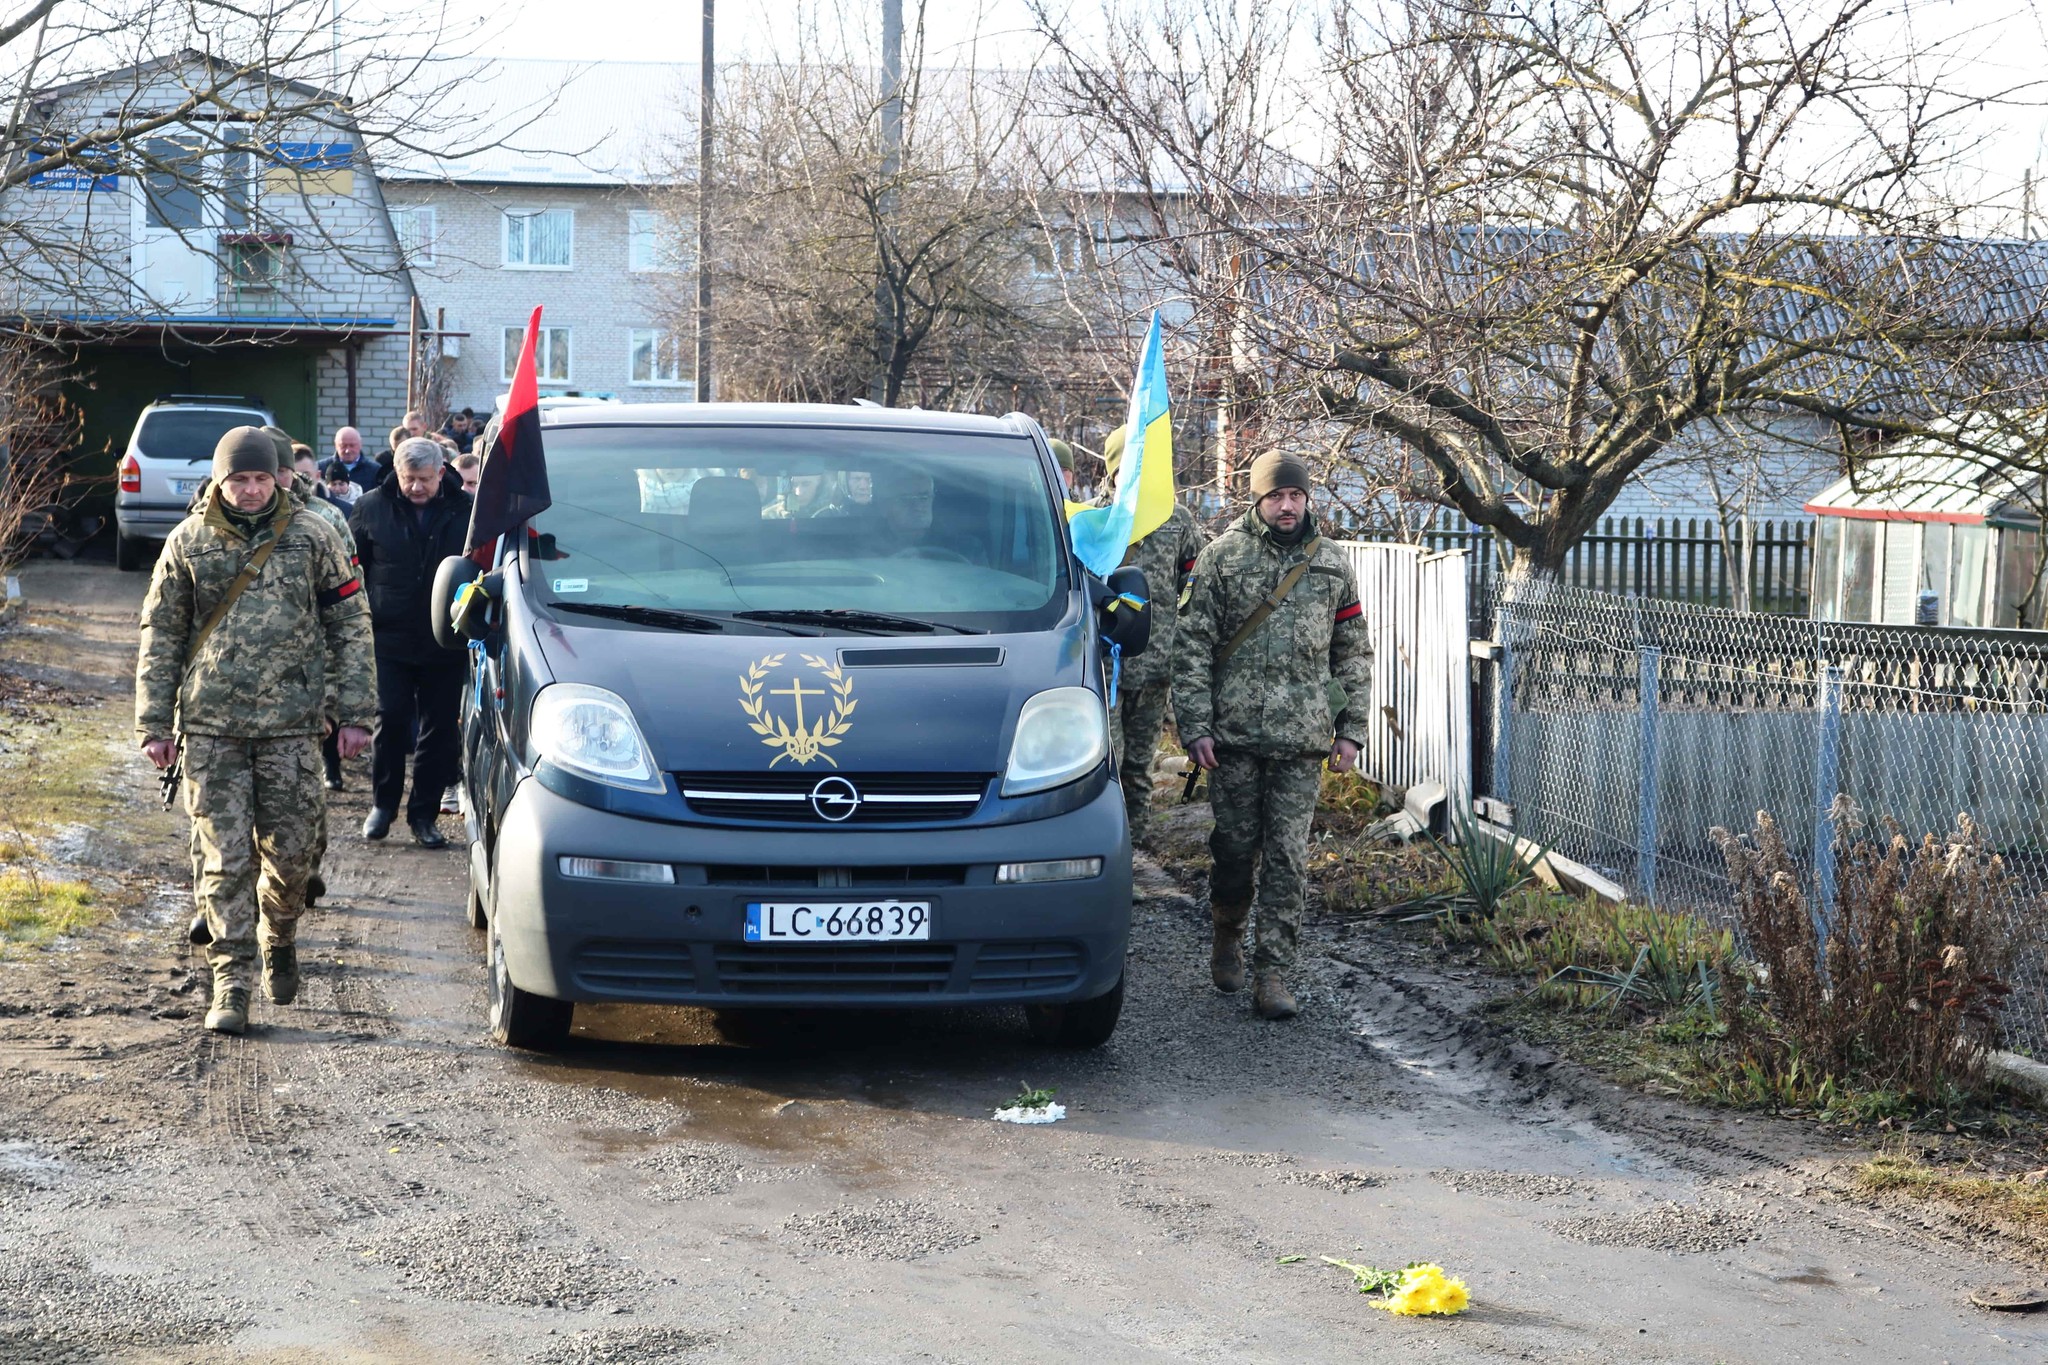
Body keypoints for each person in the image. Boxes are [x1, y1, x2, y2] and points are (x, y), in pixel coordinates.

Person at [136, 427, 375, 1034]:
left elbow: (351, 624)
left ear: (278, 478)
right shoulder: (188, 542)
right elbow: (160, 635)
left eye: (260, 479)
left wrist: (354, 714)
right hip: (212, 725)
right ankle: (231, 983)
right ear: (219, 480)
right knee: (223, 858)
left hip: (293, 727)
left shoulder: (314, 536)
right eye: (237, 480)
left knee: (293, 854)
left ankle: (281, 932)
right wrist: (154, 723)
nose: (248, 491)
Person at [1172, 449, 1372, 1021]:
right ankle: (1227, 929)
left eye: (1295, 495)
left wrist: (1351, 730)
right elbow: (1191, 651)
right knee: (1235, 849)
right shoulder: (1221, 560)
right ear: (1257, 499)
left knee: (1287, 856)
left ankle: (1273, 972)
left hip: (1302, 741)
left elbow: (1352, 654)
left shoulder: (1332, 564)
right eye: (1276, 496)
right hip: (1231, 739)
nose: (1287, 505)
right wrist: (1195, 728)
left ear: (1308, 498)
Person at [349, 438, 474, 848]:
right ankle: (382, 805)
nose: (416, 488)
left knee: (440, 729)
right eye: (408, 479)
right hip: (389, 636)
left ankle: (424, 814)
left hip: (446, 638)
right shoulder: (370, 508)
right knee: (392, 718)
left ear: (441, 473)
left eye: (423, 479)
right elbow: (353, 569)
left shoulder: (467, 512)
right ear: (396, 475)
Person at [1095, 426, 1209, 845]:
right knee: (1105, 766)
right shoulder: (1092, 520)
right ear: (1113, 469)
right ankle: (1105, 859)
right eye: (1130, 466)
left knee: (1138, 770)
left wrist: (1186, 649)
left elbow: (1195, 589)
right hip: (1102, 670)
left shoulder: (1176, 521)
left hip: (1155, 669)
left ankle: (1134, 868)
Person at [329, 426, 378, 493]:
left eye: (352, 445)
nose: (347, 450)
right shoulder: (322, 468)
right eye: (343, 446)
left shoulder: (375, 471)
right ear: (336, 445)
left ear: (360, 444)